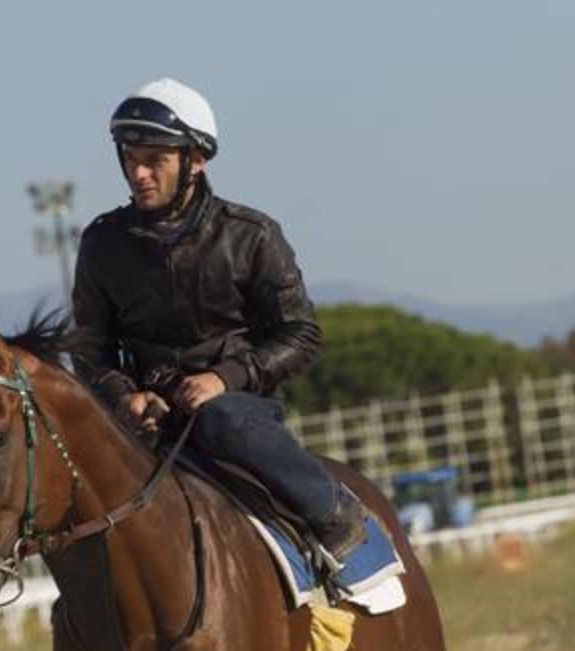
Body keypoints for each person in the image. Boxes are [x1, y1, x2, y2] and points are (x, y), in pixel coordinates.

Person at [71, 77, 368, 571]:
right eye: (129, 158)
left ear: (196, 159)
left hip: (239, 408)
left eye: (154, 161)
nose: (137, 173)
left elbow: (301, 335)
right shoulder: (101, 243)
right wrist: (125, 394)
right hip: (147, 415)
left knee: (218, 417)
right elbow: (89, 351)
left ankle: (332, 511)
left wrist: (223, 379)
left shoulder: (253, 235)